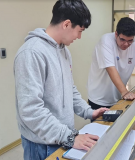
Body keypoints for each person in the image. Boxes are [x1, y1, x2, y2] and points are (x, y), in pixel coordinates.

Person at [14, 0, 109, 159]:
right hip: (41, 144)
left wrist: (89, 112)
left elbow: (69, 90)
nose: (79, 37)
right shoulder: (31, 53)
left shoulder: (64, 51)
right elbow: (30, 110)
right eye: (80, 31)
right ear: (66, 24)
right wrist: (70, 137)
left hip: (62, 137)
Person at [87, 17, 135, 109]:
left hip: (118, 98)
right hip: (100, 99)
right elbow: (111, 69)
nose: (126, 44)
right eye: (122, 40)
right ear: (116, 34)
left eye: (130, 41)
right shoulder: (105, 42)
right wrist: (125, 92)